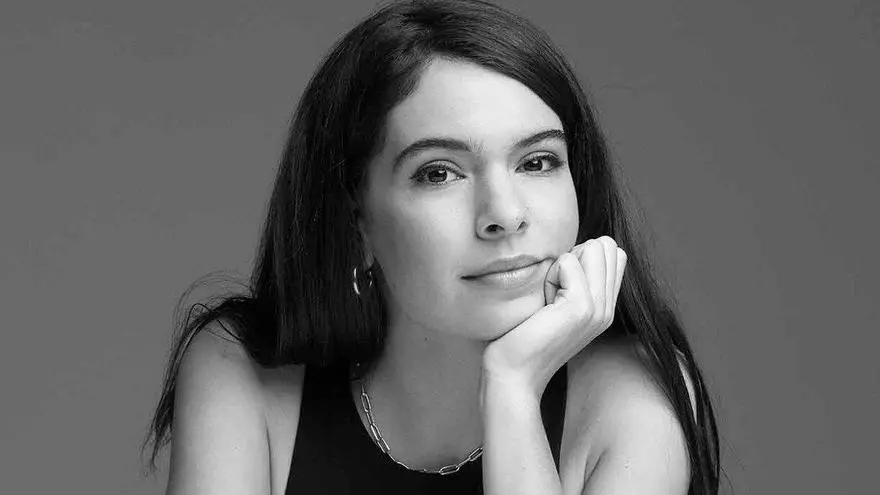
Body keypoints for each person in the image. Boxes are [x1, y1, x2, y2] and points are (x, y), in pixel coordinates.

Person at [143, 0, 720, 493]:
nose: (504, 215)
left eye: (538, 162)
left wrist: (512, 390)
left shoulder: (636, 391)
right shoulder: (240, 371)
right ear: (357, 221)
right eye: (439, 173)